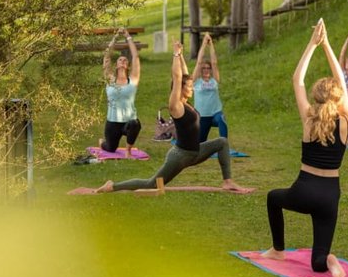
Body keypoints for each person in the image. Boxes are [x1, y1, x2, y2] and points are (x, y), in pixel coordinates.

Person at [261, 20, 348, 277]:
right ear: (336, 98)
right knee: (317, 261)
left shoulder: (309, 118)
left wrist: (313, 43)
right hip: (330, 195)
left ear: (316, 97)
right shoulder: (345, 120)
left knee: (273, 197)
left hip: (303, 190)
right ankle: (329, 260)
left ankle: (278, 250)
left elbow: (297, 80)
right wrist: (328, 46)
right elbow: (343, 83)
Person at [95, 41, 246, 193]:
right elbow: (178, 76)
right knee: (151, 184)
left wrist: (180, 55)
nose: (192, 88)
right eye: (188, 87)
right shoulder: (176, 106)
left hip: (196, 152)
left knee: (222, 142)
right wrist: (174, 54)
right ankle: (113, 186)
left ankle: (228, 182)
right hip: (180, 157)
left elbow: (184, 74)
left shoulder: (186, 102)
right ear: (179, 88)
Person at [99, 28, 142, 157]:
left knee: (135, 124)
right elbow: (106, 56)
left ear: (127, 66)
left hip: (128, 121)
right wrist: (115, 37)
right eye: (120, 60)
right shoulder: (110, 79)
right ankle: (102, 143)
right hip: (112, 122)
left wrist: (128, 36)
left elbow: (135, 56)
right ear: (116, 65)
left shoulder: (133, 80)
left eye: (125, 60)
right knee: (110, 148)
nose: (123, 61)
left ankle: (128, 151)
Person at [193, 33, 228, 143]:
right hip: (203, 116)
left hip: (215, 114)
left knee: (222, 119)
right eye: (204, 68)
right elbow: (199, 62)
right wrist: (204, 44)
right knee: (200, 143)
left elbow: (214, 62)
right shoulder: (196, 81)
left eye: (208, 68)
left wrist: (211, 44)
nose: (206, 70)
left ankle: (224, 144)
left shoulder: (214, 80)